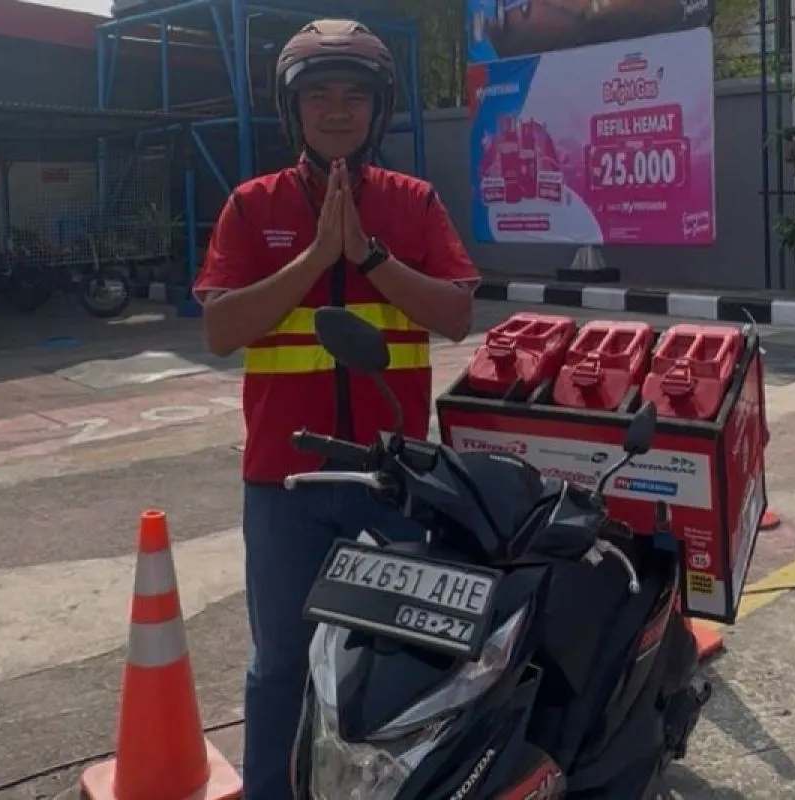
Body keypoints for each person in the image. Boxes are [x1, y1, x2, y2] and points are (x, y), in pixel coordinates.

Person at [192, 18, 480, 800]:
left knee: (402, 658)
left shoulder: (414, 203)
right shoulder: (252, 206)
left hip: (391, 481)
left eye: (356, 96)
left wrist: (370, 256)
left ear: (379, 110)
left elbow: (456, 314)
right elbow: (221, 329)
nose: (338, 110)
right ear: (293, 110)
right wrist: (317, 256)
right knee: (282, 663)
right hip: (285, 482)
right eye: (319, 96)